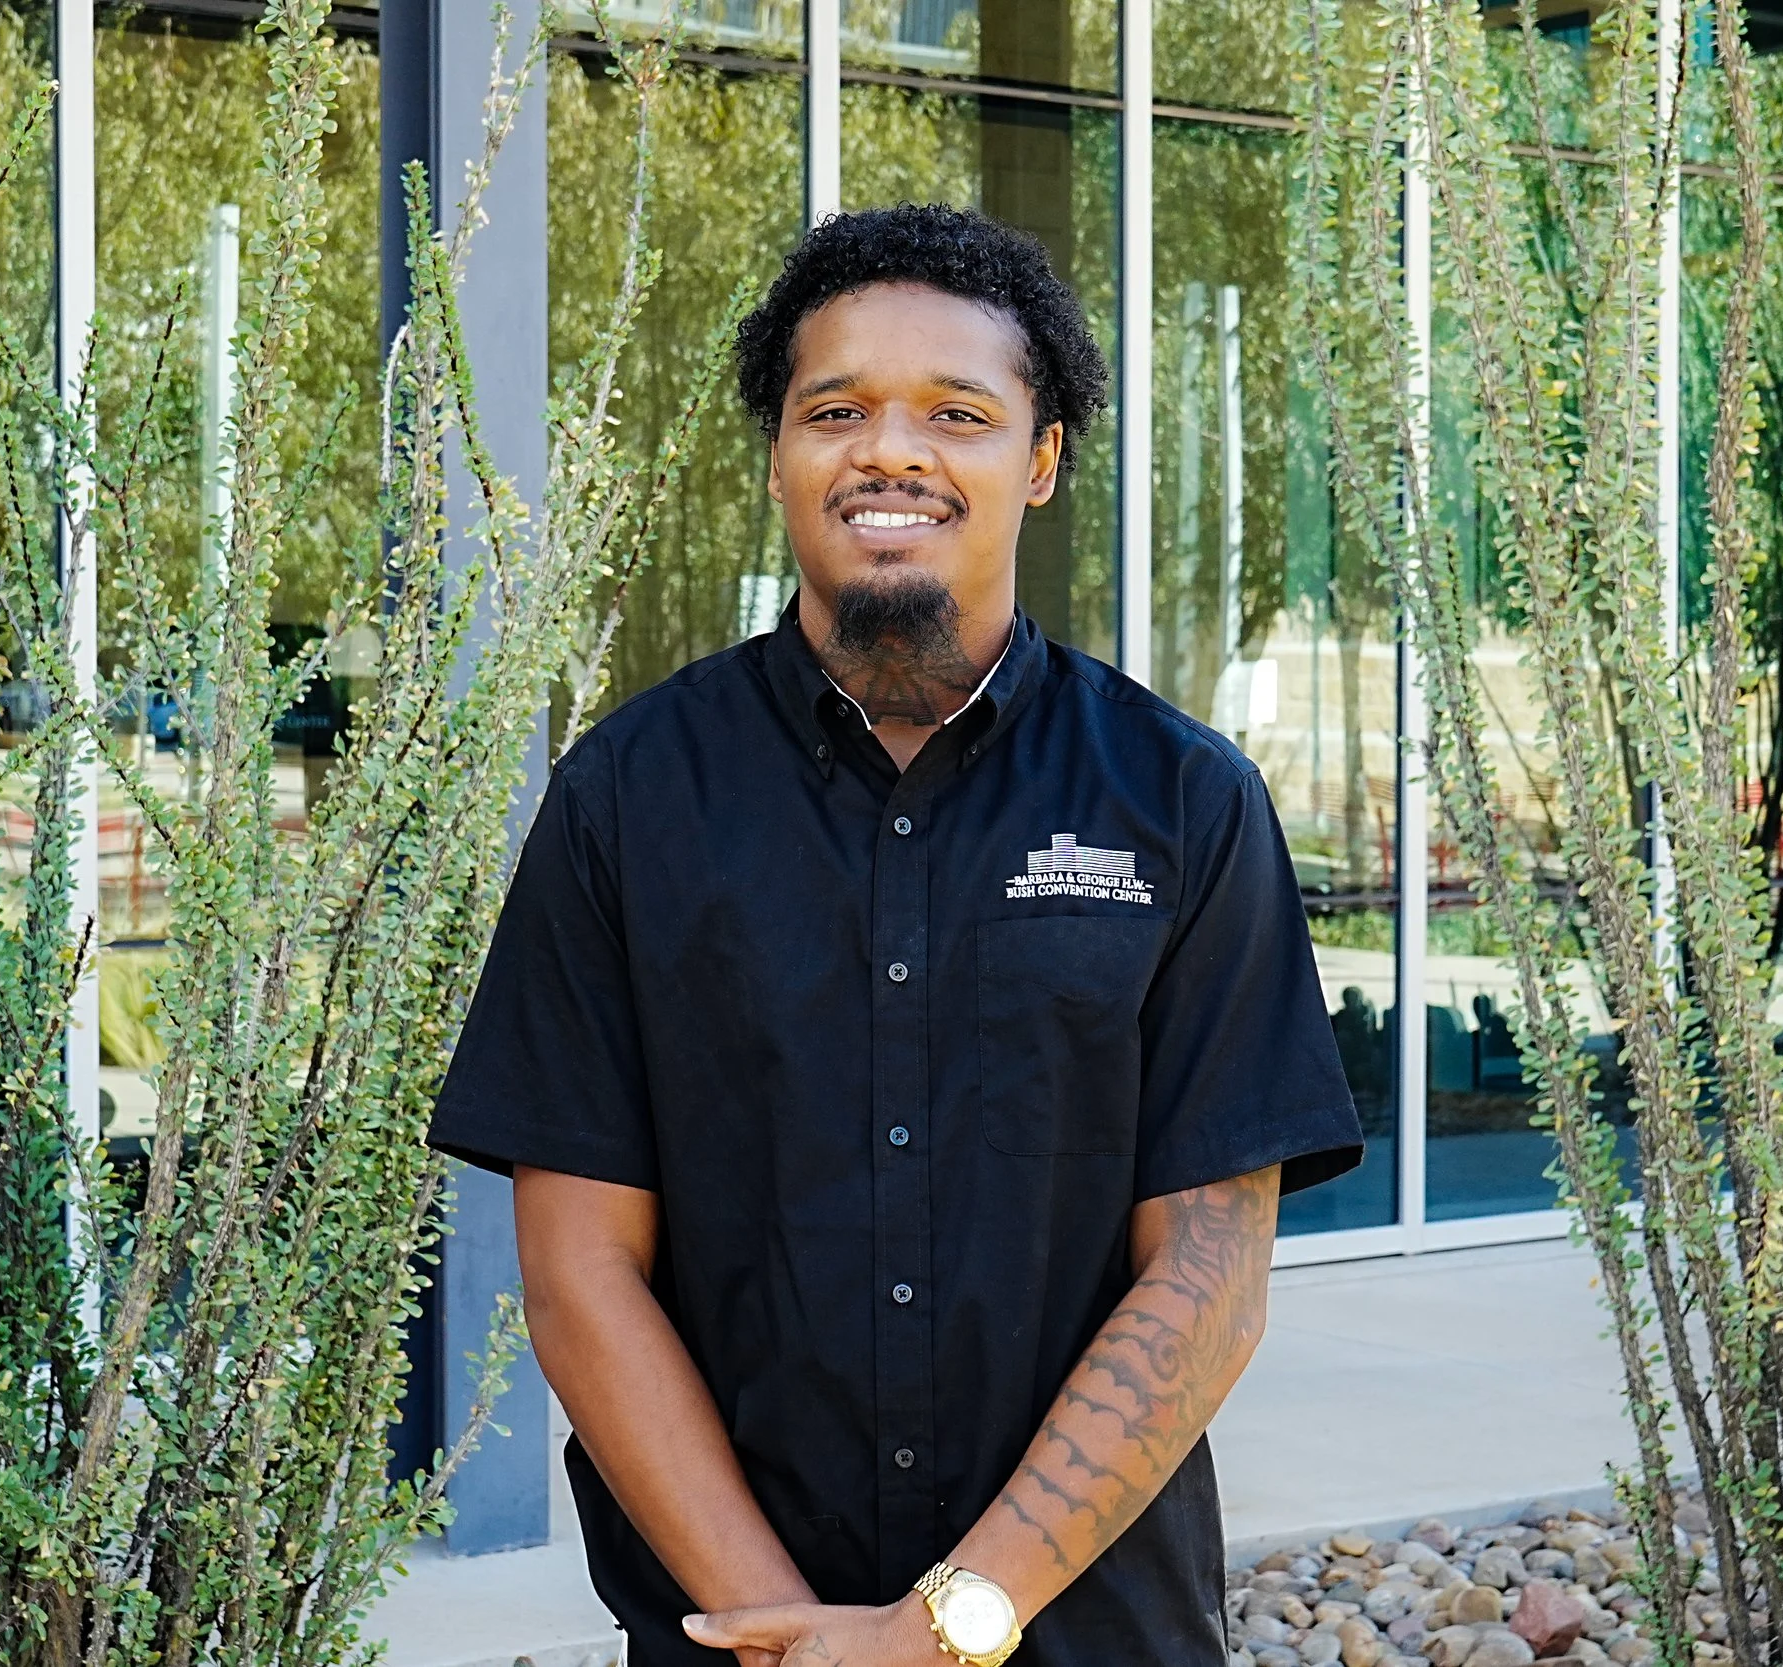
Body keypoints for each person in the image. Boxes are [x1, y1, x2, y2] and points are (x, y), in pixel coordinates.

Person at [431, 203, 1363, 1667]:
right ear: (782, 455)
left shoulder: (1186, 804)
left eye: (958, 412)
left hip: (1090, 1631)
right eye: (838, 409)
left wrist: (947, 1621)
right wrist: (795, 1643)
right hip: (744, 1638)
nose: (891, 451)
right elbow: (577, 1275)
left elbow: (1206, 1276)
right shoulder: (627, 800)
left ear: (1041, 459)